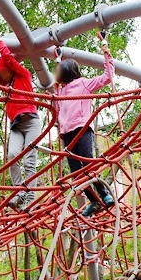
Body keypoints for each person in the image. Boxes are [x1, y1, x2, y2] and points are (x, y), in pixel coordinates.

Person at [54, 37, 116, 217]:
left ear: (67, 71)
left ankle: (104, 195)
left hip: (82, 128)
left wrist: (105, 47)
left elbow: (107, 76)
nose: (55, 73)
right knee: (76, 174)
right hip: (67, 133)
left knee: (88, 163)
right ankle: (94, 201)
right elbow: (57, 106)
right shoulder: (60, 90)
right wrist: (57, 58)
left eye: (58, 70)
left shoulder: (83, 84)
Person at [0, 33, 41, 210]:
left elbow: (8, 59)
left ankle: (30, 199)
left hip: (31, 122)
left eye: (2, 70)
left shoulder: (23, 75)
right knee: (12, 156)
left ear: (9, 68)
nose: (0, 73)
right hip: (16, 126)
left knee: (29, 161)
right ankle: (20, 192)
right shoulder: (6, 84)